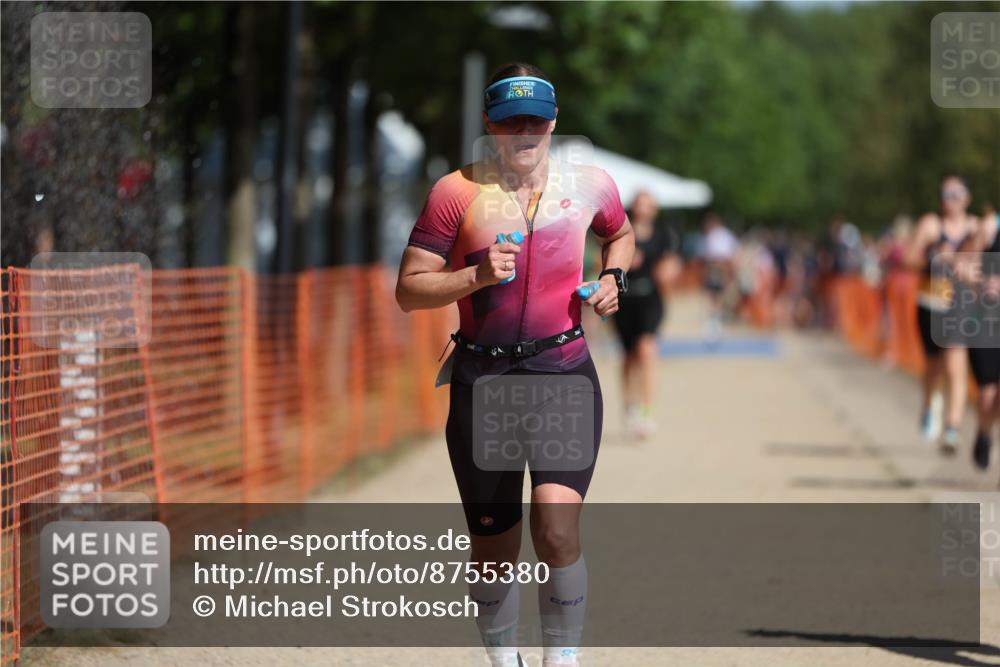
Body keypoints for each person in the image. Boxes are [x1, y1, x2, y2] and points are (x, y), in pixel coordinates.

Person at [395, 62, 634, 667]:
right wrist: (475, 276)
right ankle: (506, 661)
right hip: (485, 381)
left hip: (562, 373)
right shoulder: (456, 192)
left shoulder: (590, 184)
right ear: (489, 123)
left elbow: (620, 233)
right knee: (493, 550)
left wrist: (613, 277)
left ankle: (562, 659)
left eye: (534, 120)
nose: (523, 133)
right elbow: (409, 289)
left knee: (556, 529)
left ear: (553, 121)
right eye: (509, 122)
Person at [905, 175, 978, 454]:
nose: (951, 199)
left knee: (955, 365)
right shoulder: (931, 225)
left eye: (957, 193)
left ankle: (952, 427)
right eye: (946, 193)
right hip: (931, 302)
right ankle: (929, 405)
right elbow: (908, 258)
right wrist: (934, 257)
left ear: (967, 197)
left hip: (961, 304)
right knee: (933, 365)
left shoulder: (976, 228)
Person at [610, 191, 677, 438]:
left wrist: (669, 270)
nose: (644, 208)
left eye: (648, 204)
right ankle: (630, 406)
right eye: (640, 203)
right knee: (629, 356)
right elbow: (605, 260)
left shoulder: (663, 233)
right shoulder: (621, 231)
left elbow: (671, 262)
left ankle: (648, 412)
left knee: (647, 349)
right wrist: (624, 260)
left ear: (654, 209)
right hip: (625, 299)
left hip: (651, 298)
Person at [968, 202, 1000, 469]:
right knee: (989, 394)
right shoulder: (991, 226)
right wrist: (982, 282)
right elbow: (965, 267)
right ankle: (985, 432)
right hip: (988, 321)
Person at [699, 212, 738, 338]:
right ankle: (715, 321)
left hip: (718, 268)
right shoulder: (724, 235)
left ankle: (715, 321)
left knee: (716, 296)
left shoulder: (716, 236)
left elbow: (711, 254)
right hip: (719, 268)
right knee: (716, 296)